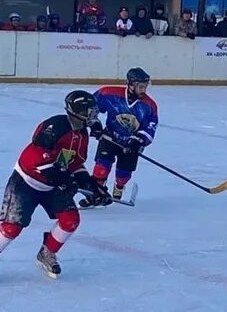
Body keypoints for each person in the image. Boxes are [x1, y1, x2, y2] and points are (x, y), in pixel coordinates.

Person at [0, 91, 110, 278]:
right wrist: (67, 181)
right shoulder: (55, 128)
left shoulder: (81, 134)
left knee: (70, 220)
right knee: (12, 228)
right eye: (90, 112)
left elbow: (73, 163)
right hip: (26, 182)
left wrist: (91, 185)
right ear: (78, 112)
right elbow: (41, 164)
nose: (94, 116)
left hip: (53, 185)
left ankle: (47, 253)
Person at [79, 68, 158, 207]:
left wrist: (137, 141)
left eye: (145, 86)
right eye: (140, 86)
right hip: (110, 137)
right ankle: (95, 194)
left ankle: (119, 186)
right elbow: (90, 107)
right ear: (130, 84)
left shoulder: (149, 105)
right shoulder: (109, 94)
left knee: (123, 175)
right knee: (101, 169)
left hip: (131, 144)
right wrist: (95, 124)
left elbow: (150, 127)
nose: (143, 90)